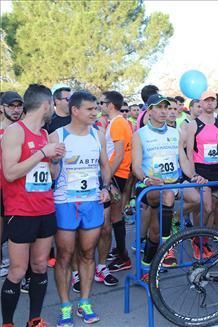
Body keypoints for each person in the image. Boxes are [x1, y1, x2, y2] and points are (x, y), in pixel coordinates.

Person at [1, 84, 65, 327]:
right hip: (21, 210)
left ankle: (34, 320)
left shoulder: (44, 134)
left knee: (39, 266)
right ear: (47, 105)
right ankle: (7, 323)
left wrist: (54, 160)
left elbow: (49, 173)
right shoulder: (15, 132)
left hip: (45, 208)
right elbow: (9, 173)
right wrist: (42, 153)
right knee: (17, 271)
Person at [51, 91, 111, 326]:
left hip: (91, 202)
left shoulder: (98, 135)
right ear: (75, 110)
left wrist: (106, 187)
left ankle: (84, 303)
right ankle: (65, 306)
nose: (94, 112)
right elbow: (52, 174)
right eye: (89, 109)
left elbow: (104, 165)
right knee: (64, 256)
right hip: (65, 202)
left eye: (96, 108)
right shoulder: (57, 135)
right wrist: (55, 159)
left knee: (88, 253)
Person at [132, 94, 207, 269]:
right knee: (166, 196)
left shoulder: (175, 133)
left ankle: (146, 266)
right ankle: (169, 245)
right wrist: (147, 179)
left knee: (196, 200)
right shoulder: (139, 135)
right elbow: (135, 165)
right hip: (150, 187)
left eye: (166, 107)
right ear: (149, 111)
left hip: (174, 183)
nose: (164, 111)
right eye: (159, 107)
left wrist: (194, 176)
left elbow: (183, 160)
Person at [99, 91, 133, 273]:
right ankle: (121, 253)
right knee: (115, 216)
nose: (99, 106)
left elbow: (119, 153)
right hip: (117, 174)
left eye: (101, 102)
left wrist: (106, 178)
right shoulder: (118, 122)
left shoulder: (118, 123)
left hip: (115, 174)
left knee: (115, 216)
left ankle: (123, 256)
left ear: (110, 105)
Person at [186, 91, 218, 236]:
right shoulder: (193, 125)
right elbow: (189, 151)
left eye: (212, 100)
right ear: (200, 103)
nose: (209, 103)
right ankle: (196, 238)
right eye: (206, 100)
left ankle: (204, 240)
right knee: (206, 208)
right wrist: (193, 174)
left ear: (216, 103)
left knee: (214, 207)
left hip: (217, 169)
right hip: (202, 170)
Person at [0, 91, 24, 278]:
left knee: (18, 231)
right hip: (2, 187)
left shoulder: (26, 129)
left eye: (18, 106)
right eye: (11, 106)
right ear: (2, 108)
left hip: (20, 188)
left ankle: (23, 270)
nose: (15, 110)